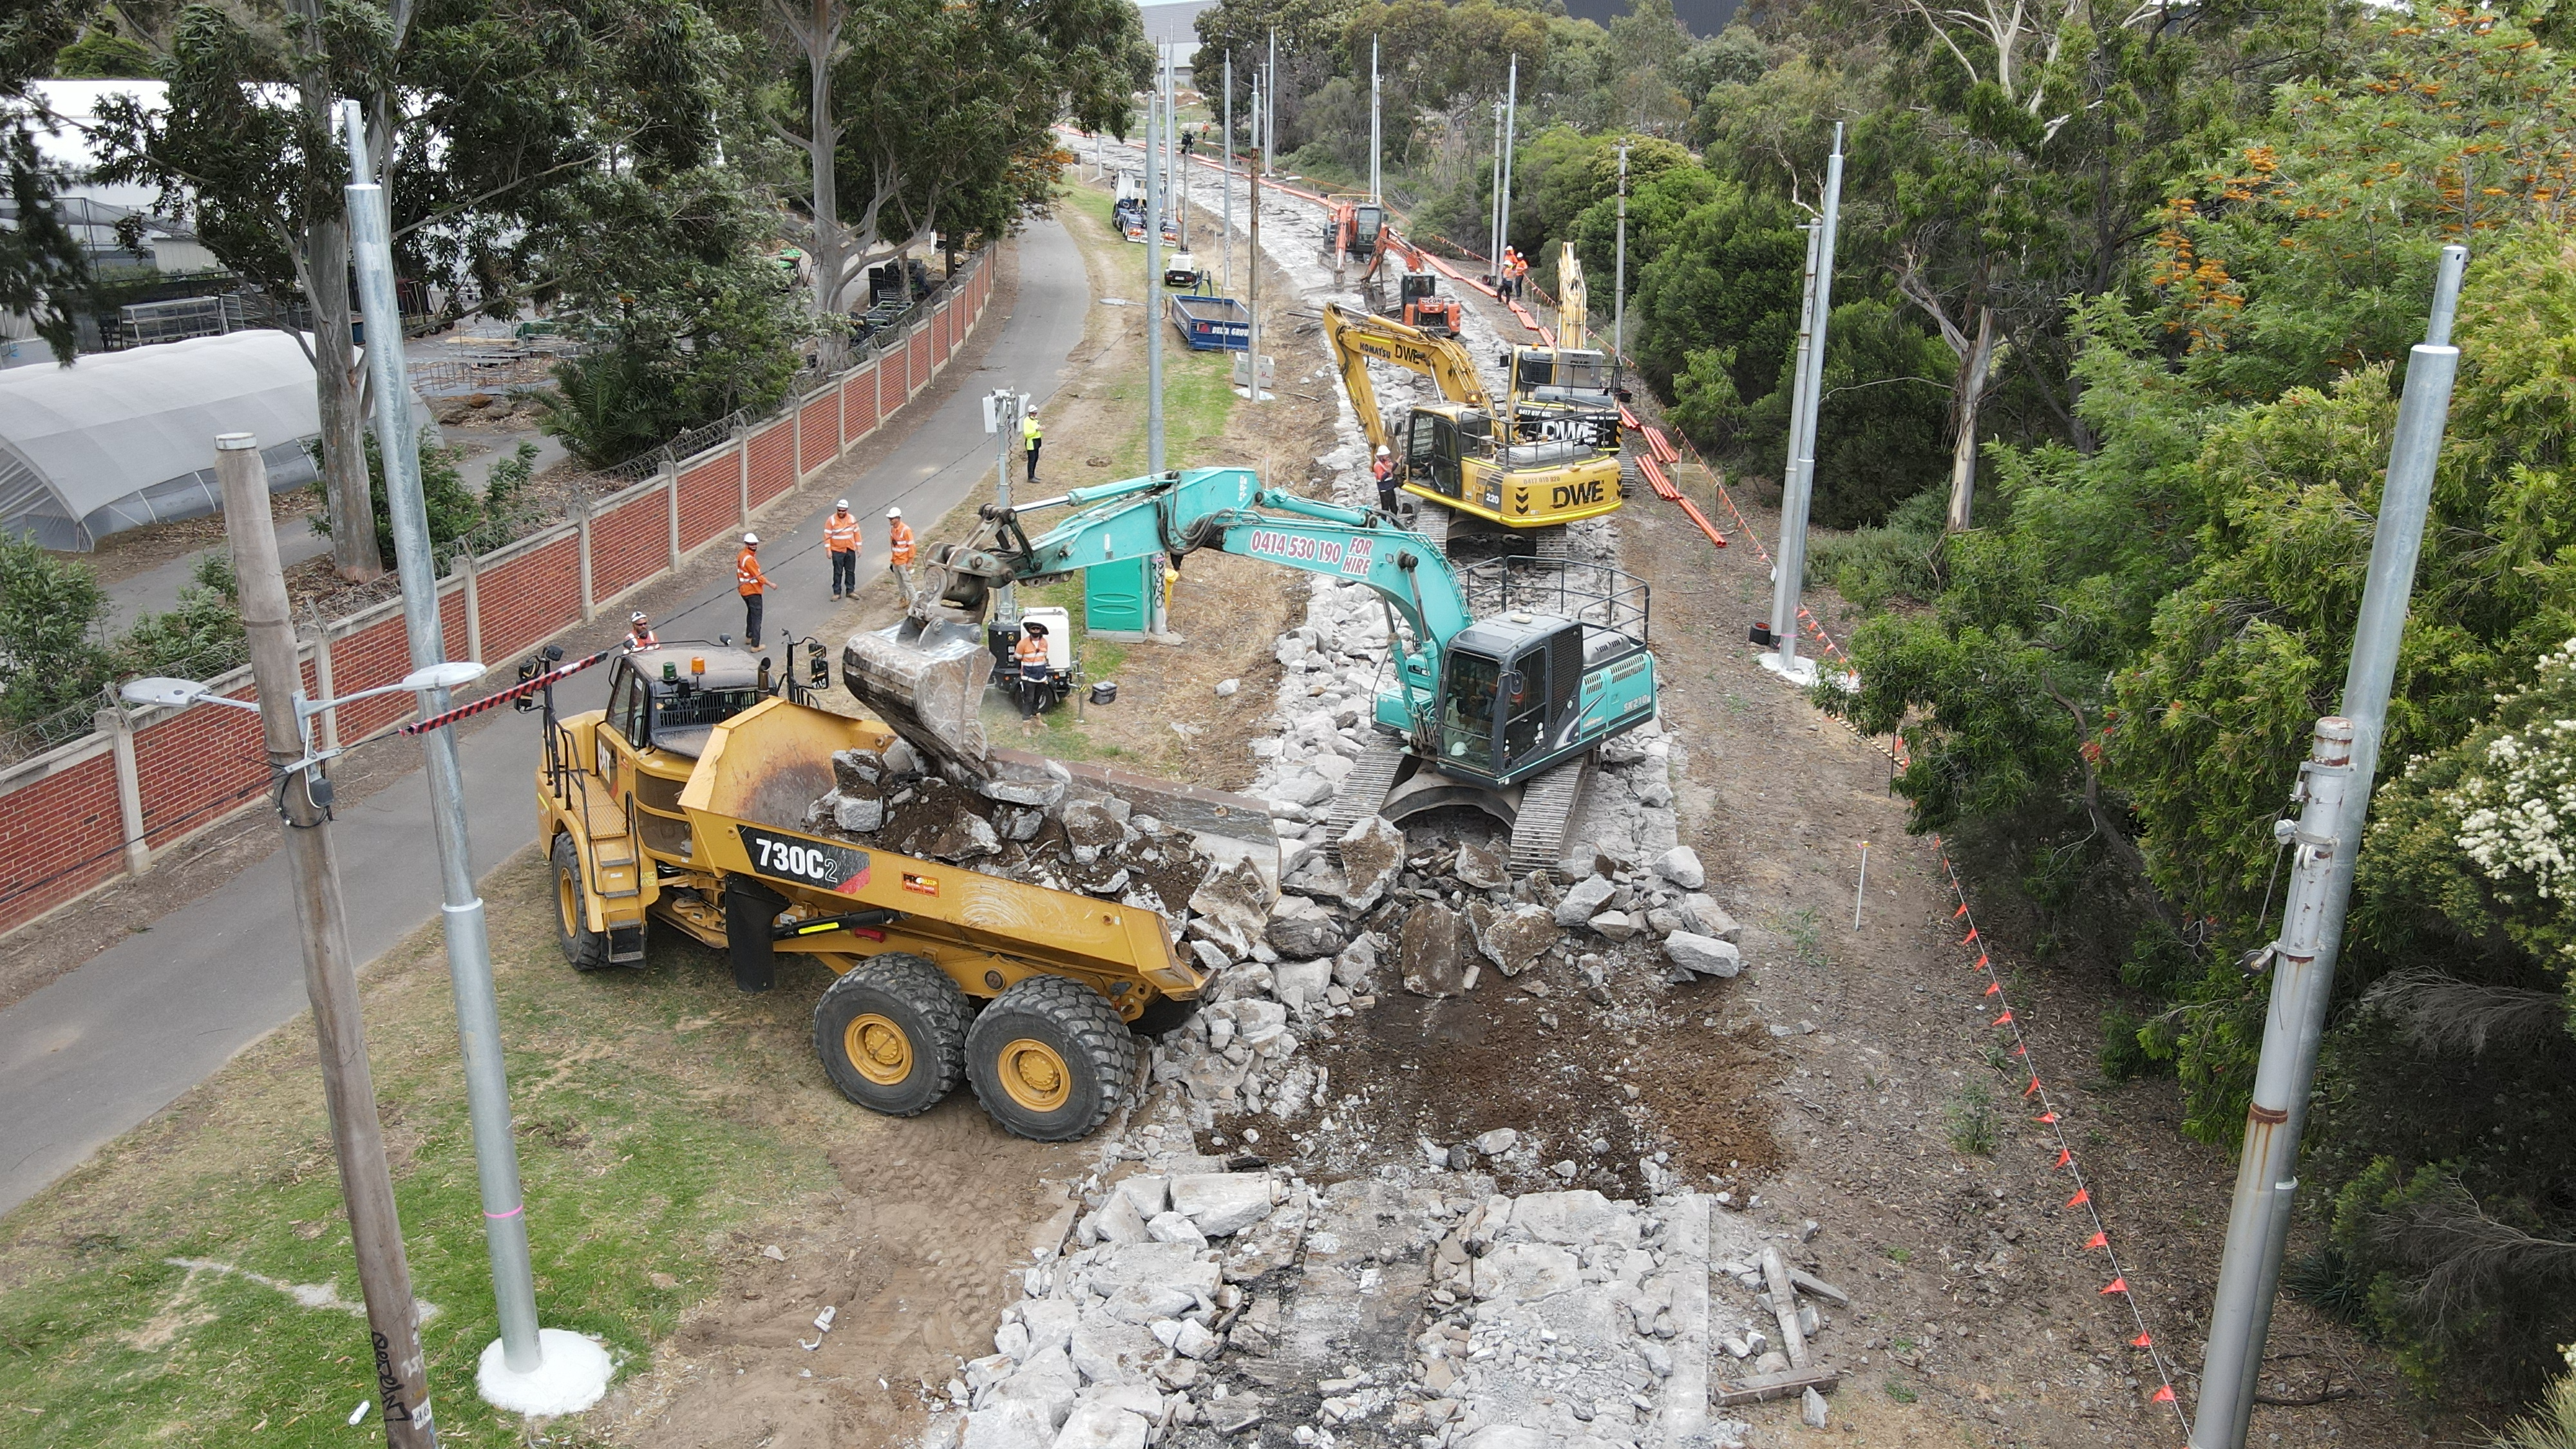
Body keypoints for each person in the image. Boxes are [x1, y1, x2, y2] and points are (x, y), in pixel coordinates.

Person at [735, 531, 769, 647]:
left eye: (755, 544)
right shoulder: (749, 560)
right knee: (757, 618)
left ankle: (749, 636)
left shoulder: (742, 556)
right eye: (752, 544)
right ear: (746, 544)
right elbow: (758, 577)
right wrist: (770, 584)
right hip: (753, 591)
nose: (754, 546)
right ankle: (756, 645)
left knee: (750, 613)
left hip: (744, 591)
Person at [1013, 620, 1052, 717]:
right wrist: (1021, 671)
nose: (1035, 631)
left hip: (1041, 676)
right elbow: (1017, 659)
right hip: (1029, 677)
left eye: (1037, 629)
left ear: (1041, 630)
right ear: (1029, 630)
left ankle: (1036, 718)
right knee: (1028, 700)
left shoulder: (1044, 643)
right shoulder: (1023, 644)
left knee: (1037, 699)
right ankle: (1026, 722)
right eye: (1033, 629)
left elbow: (1044, 657)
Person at [824, 499, 861, 600]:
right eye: (839, 510)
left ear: (847, 510)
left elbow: (857, 533)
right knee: (838, 572)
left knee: (850, 571)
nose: (841, 512)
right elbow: (827, 535)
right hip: (837, 550)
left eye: (843, 511)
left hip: (850, 549)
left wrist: (859, 548)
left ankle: (850, 591)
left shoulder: (852, 519)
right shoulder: (831, 520)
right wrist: (828, 550)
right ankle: (837, 593)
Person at [1371, 444, 1399, 515]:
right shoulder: (1377, 465)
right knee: (1385, 508)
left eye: (1387, 455)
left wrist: (1398, 460)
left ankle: (1395, 522)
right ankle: (1384, 522)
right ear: (1381, 456)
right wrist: (1388, 472)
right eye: (1385, 455)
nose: (1387, 456)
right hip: (1384, 490)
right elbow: (1382, 478)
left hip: (1390, 487)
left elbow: (1392, 469)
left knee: (1394, 507)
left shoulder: (1386, 462)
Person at [1022, 408, 1043, 486]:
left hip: (1036, 441)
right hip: (1031, 443)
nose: (1035, 415)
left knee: (1036, 459)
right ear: (1030, 413)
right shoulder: (1027, 421)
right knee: (1032, 460)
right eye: (1033, 413)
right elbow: (1027, 433)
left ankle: (1033, 475)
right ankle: (1030, 477)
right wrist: (1037, 430)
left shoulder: (1034, 420)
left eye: (1035, 413)